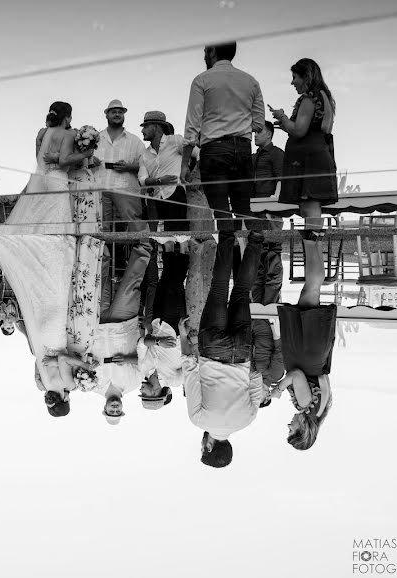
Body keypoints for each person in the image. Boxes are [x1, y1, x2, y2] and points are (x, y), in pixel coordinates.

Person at [184, 230, 266, 467]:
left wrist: (242, 361)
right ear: (209, 447)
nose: (201, 445)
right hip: (211, 349)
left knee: (241, 291)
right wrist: (183, 337)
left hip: (240, 352)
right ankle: (227, 234)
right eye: (202, 449)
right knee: (219, 288)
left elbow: (257, 378)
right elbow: (190, 373)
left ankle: (257, 238)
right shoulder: (198, 420)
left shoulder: (247, 419)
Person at [181, 42, 265, 231]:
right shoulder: (250, 81)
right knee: (243, 208)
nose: (204, 56)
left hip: (214, 149)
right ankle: (254, 248)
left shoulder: (202, 80)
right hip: (242, 147)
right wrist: (239, 126)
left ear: (212, 51)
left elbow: (191, 128)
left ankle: (226, 259)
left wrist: (185, 163)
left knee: (221, 211)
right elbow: (259, 123)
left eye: (205, 51)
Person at [271, 229, 335, 449]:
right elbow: (296, 376)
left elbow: (322, 379)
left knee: (312, 290)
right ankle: (311, 239)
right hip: (305, 347)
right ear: (302, 431)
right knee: (311, 288)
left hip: (316, 351)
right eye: (292, 430)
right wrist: (279, 390)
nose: (288, 426)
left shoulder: (320, 410)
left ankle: (314, 241)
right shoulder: (306, 406)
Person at [270, 58, 337, 230]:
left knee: (310, 208)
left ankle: (313, 250)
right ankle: (312, 249)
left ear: (305, 76)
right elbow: (313, 130)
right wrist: (286, 126)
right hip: (316, 157)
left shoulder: (309, 99)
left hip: (309, 162)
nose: (292, 82)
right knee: (309, 209)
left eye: (295, 77)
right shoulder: (323, 97)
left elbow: (299, 130)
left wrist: (282, 117)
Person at [0, 102, 78, 234]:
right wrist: (85, 153)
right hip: (58, 177)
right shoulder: (69, 134)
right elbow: (65, 160)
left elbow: (40, 161)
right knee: (58, 214)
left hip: (42, 177)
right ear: (67, 117)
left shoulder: (42, 133)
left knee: (39, 211)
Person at [92, 99, 147, 232]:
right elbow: (82, 162)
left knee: (132, 227)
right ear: (106, 115)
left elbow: (147, 166)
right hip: (100, 189)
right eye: (113, 112)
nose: (117, 114)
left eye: (120, 112)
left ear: (124, 115)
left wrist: (129, 167)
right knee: (99, 228)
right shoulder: (95, 138)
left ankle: (137, 253)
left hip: (126, 190)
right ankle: (103, 254)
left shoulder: (135, 141)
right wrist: (89, 160)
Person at [138, 111, 195, 232]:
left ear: (156, 127)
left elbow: (198, 153)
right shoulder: (144, 154)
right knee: (164, 239)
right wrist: (159, 180)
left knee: (180, 235)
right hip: (157, 198)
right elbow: (142, 180)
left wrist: (194, 176)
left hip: (176, 193)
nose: (142, 131)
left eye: (146, 127)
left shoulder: (175, 141)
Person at [252, 121, 284, 199]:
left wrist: (276, 196)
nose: (255, 135)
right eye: (255, 132)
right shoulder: (253, 156)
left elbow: (281, 177)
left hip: (269, 199)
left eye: (259, 132)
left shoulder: (276, 153)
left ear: (269, 134)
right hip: (254, 199)